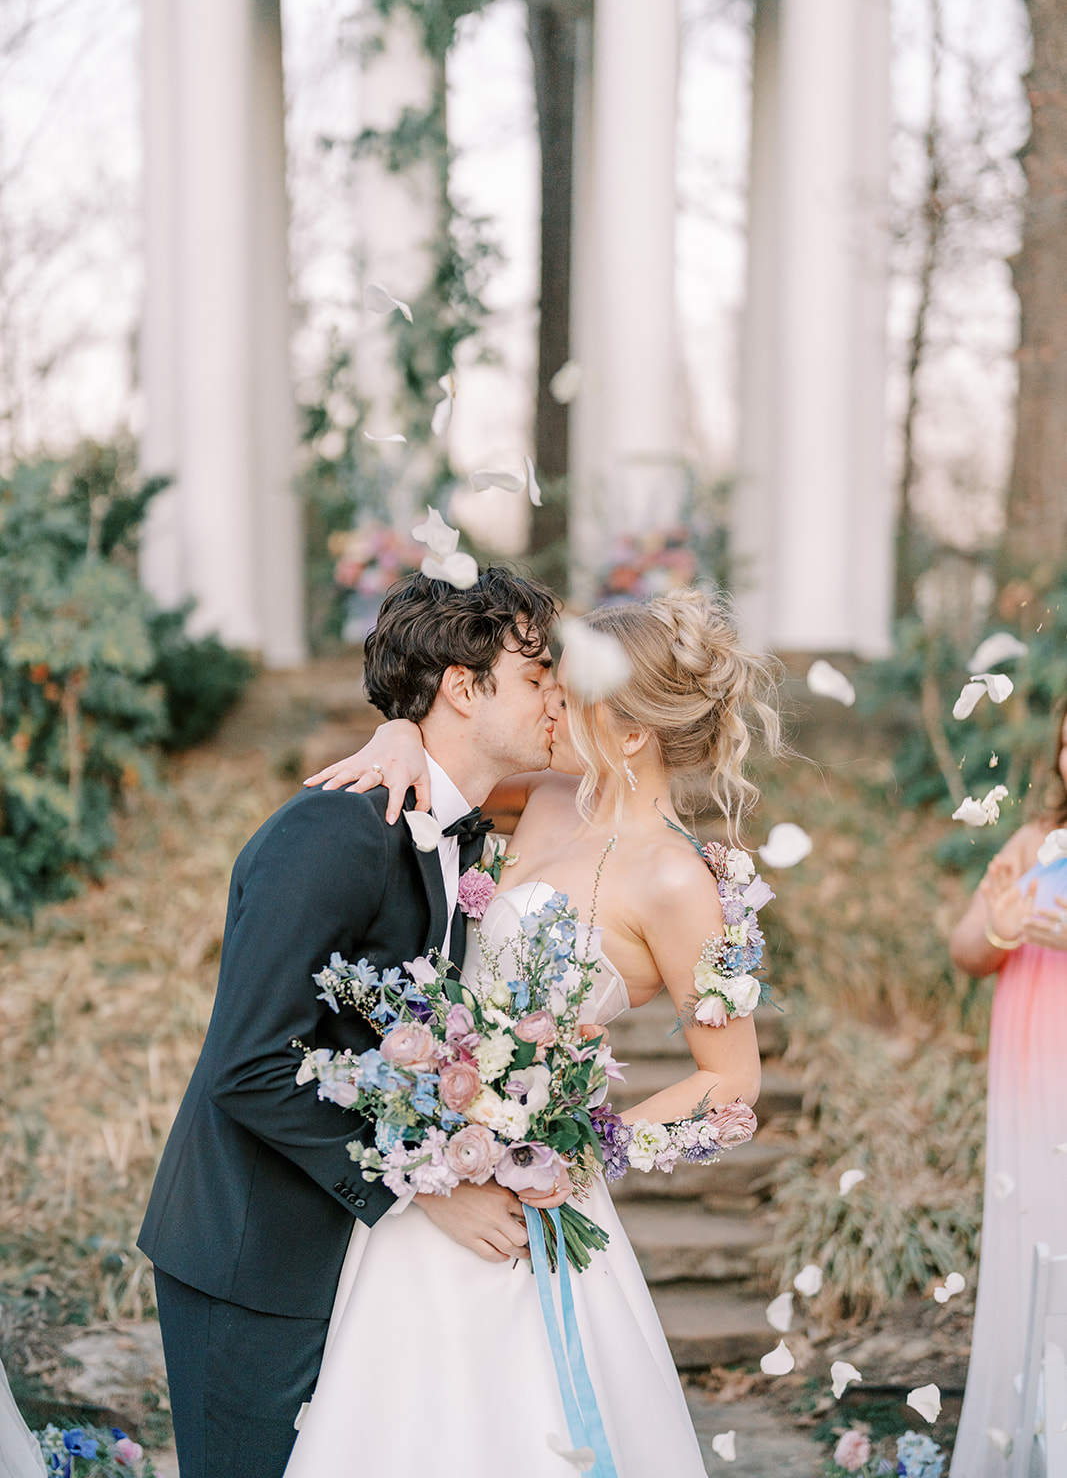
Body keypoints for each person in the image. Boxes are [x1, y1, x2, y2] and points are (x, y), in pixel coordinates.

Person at [290, 586, 776, 1478]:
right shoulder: (546, 797)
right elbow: (447, 761)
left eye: (567, 689)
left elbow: (731, 1079)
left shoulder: (676, 882)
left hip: (529, 1190)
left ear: (630, 732)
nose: (547, 698)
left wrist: (582, 1149)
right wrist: (399, 732)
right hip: (430, 1166)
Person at [136, 567, 561, 1478]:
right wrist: (428, 1188)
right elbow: (248, 1065)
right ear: (461, 684)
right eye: (534, 678)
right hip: (257, 1257)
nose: (555, 699)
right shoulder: (333, 832)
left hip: (356, 1261)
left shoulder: (457, 833)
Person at [947, 699, 1067, 1478]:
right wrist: (996, 923)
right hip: (1031, 1075)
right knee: (1035, 1238)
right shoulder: (1035, 841)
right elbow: (966, 951)